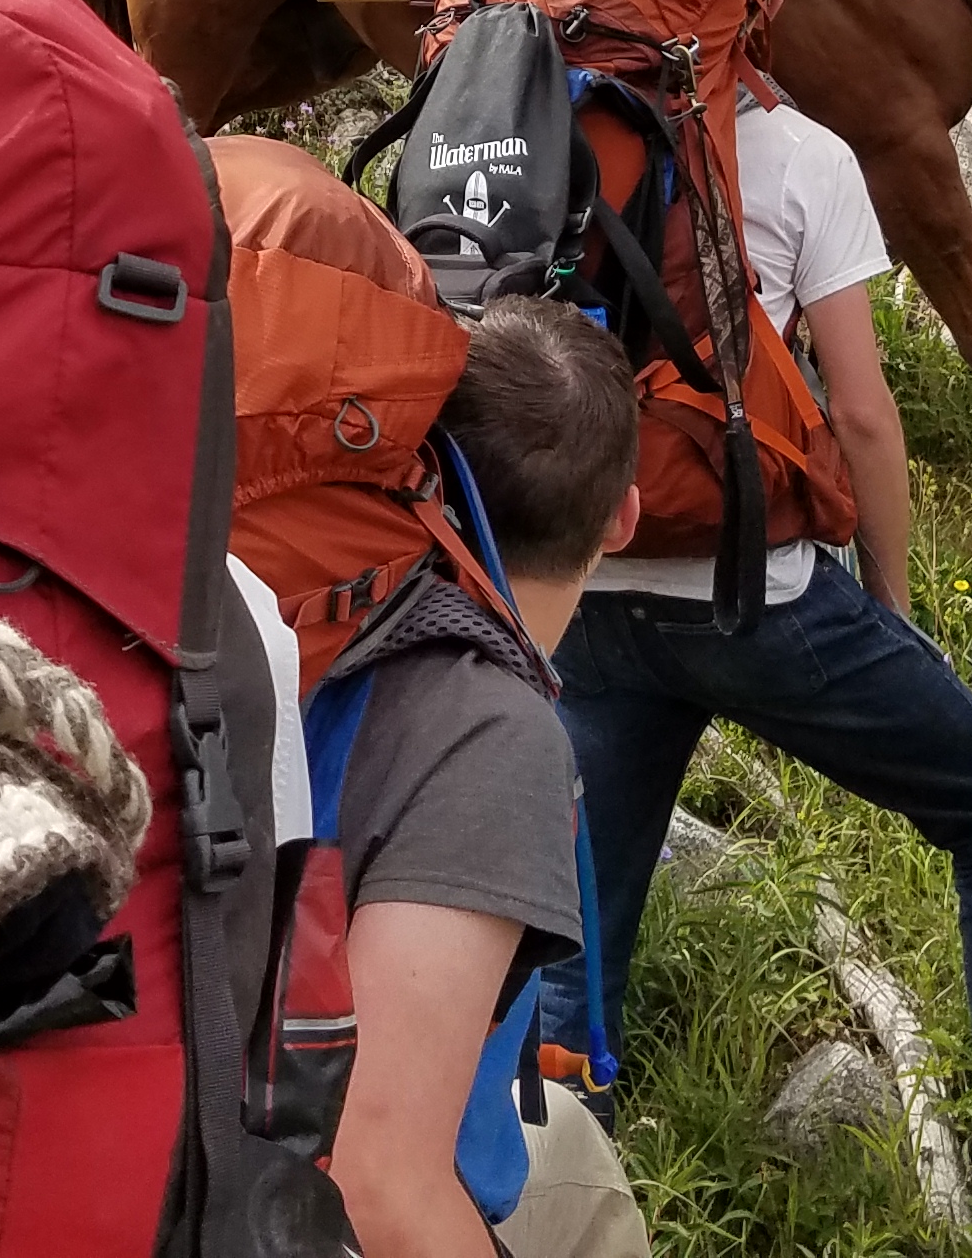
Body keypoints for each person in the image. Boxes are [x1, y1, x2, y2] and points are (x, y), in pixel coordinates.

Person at [540, 0, 972, 1258]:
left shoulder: (538, 134)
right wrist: (895, 611)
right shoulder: (801, 156)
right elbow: (859, 413)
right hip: (763, 597)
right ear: (751, 9)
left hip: (588, 589)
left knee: (585, 902)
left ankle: (548, 1195)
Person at [327, 293, 648, 1258]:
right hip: (288, 1196)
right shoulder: (495, 734)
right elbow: (374, 1180)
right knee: (592, 1204)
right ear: (625, 517)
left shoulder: (332, 614)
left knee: (572, 1136)